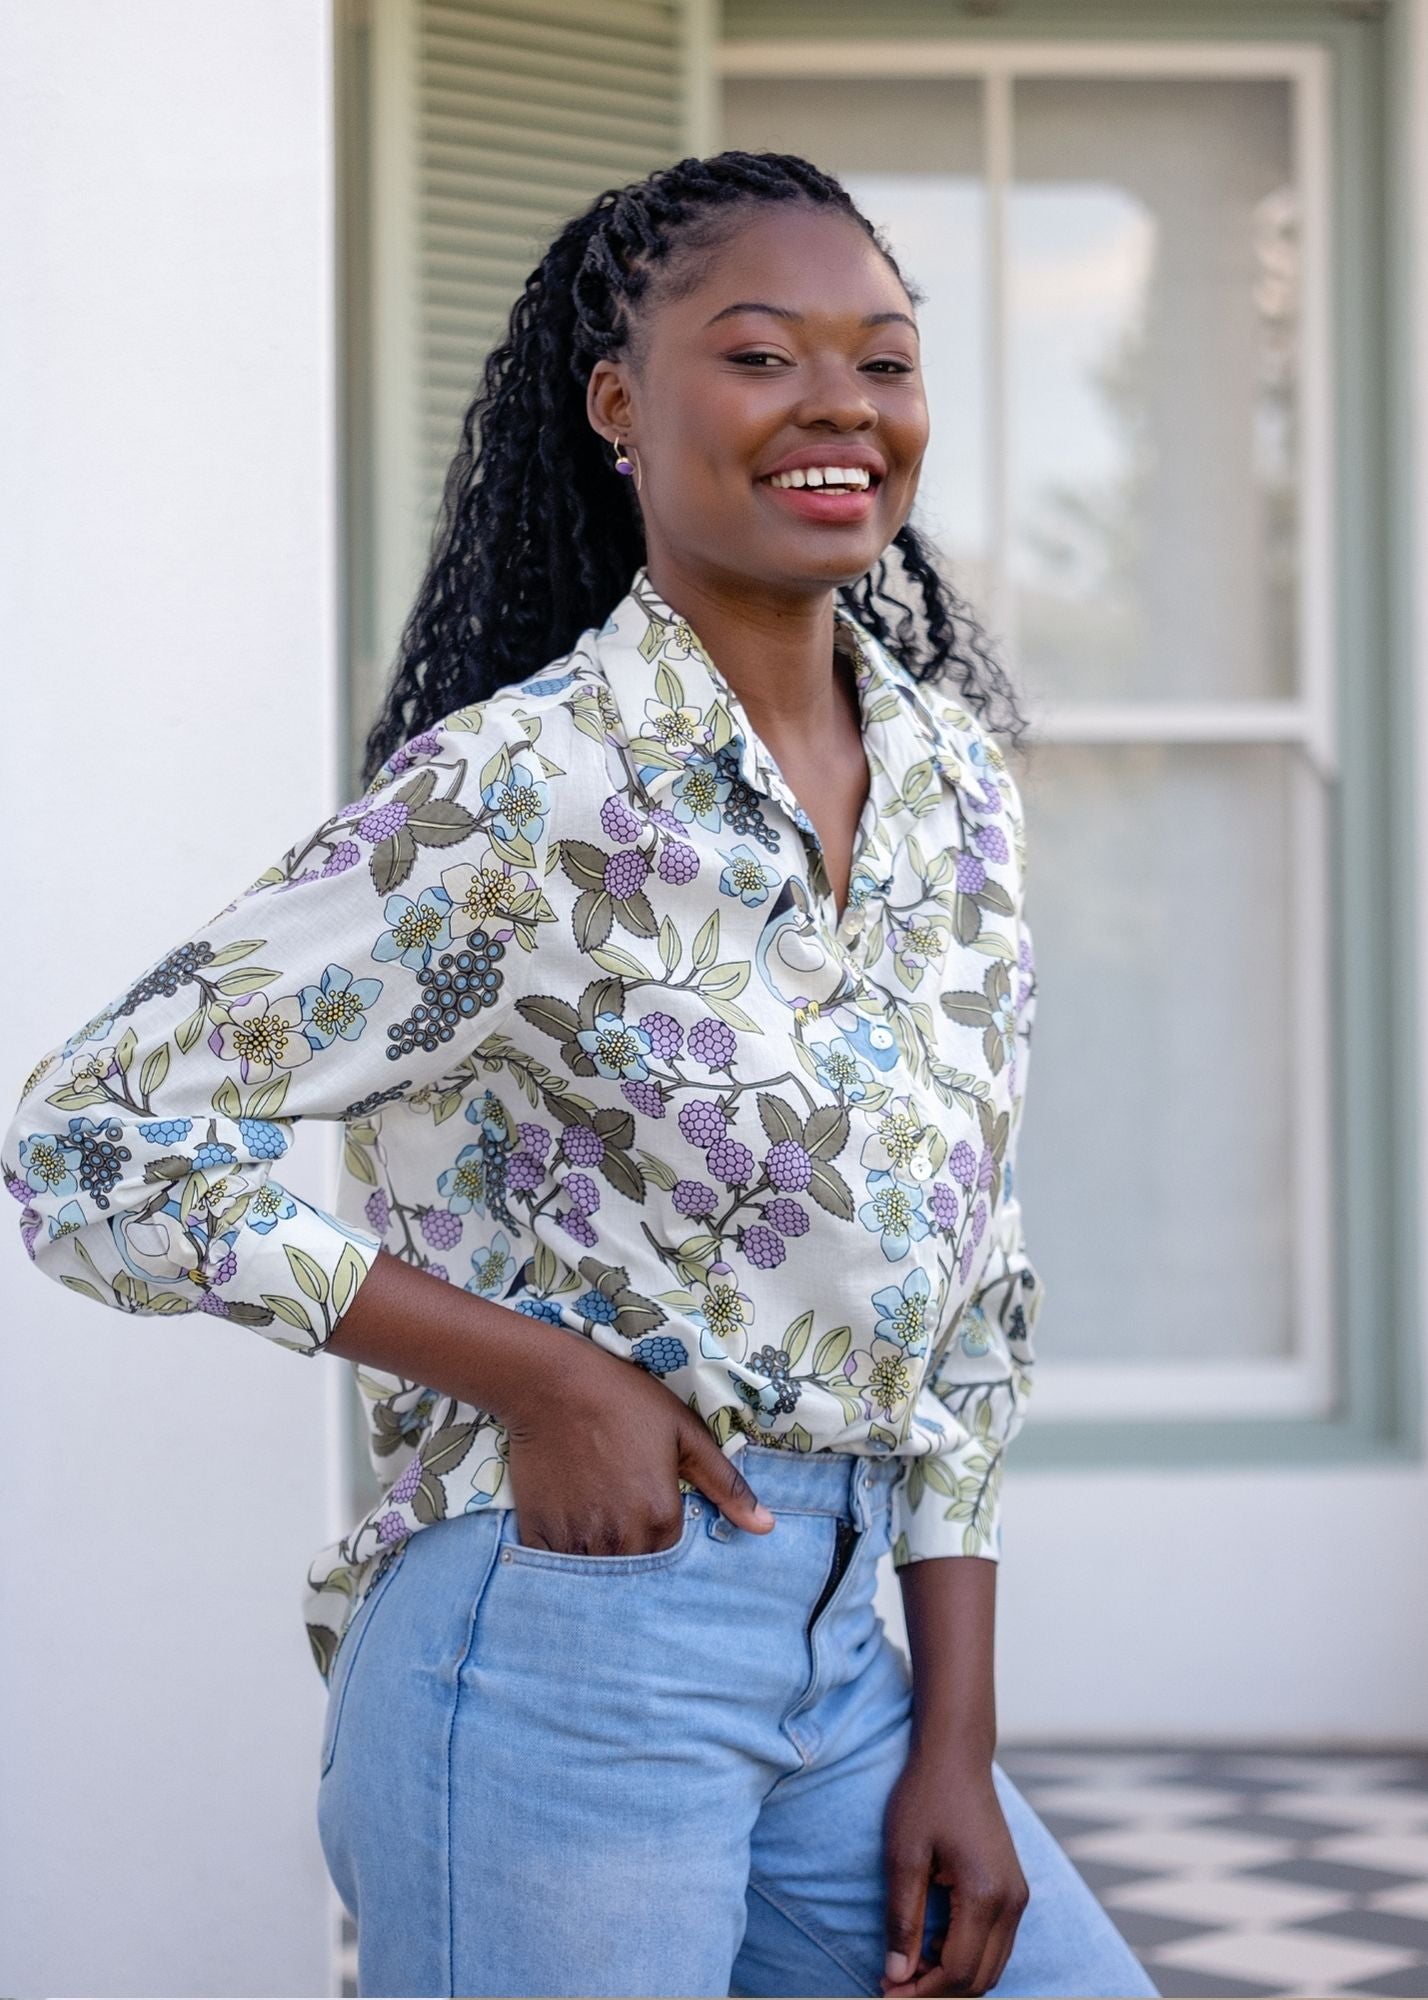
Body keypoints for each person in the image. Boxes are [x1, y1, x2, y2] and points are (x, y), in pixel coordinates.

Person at [3, 150, 1157, 2000]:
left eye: (885, 358)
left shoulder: (959, 792)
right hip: (551, 1647)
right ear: (619, 404)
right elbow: (87, 1145)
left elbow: (971, 1295)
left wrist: (957, 1736)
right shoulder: (531, 792)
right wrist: (547, 1383)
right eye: (763, 355)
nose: (840, 406)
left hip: (844, 1661)